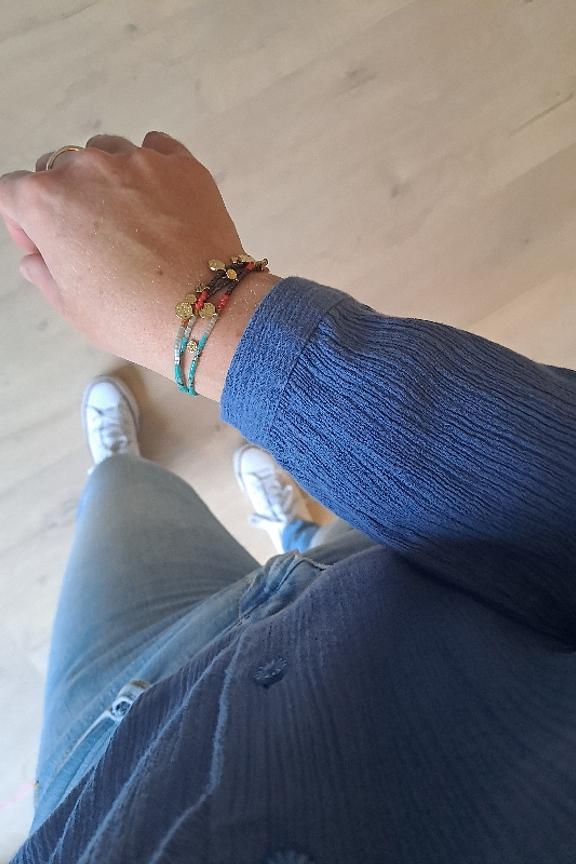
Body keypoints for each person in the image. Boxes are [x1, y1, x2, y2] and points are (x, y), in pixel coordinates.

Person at [1, 132, 575, 864]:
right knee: (328, 549)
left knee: (117, 490)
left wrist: (217, 325)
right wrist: (228, 325)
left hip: (107, 750)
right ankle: (299, 537)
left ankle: (125, 463)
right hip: (406, 575)